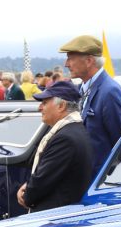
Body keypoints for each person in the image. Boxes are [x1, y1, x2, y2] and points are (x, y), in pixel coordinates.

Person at [16, 80, 92, 212]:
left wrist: (27, 194)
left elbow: (43, 180)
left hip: (54, 217)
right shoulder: (75, 130)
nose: (40, 108)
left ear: (61, 106)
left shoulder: (65, 138)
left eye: (44, 103)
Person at [60, 34, 121, 175]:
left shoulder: (110, 92)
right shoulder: (82, 88)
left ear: (89, 61)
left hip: (97, 182)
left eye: (70, 58)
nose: (66, 64)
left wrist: (104, 179)